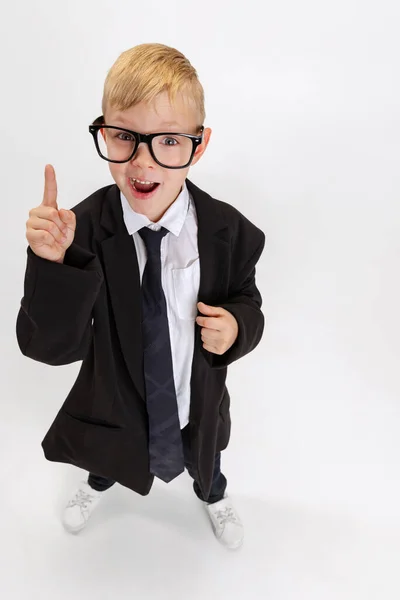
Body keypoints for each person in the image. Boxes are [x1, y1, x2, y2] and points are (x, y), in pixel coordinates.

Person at [16, 43, 265, 550]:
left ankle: (212, 494)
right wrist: (54, 265)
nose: (143, 161)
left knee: (207, 458)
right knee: (106, 458)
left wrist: (238, 327)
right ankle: (97, 483)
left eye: (168, 140)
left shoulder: (230, 231)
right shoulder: (79, 229)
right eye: (125, 137)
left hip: (195, 398)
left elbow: (248, 301)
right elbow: (51, 349)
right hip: (117, 400)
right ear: (105, 132)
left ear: (198, 145)